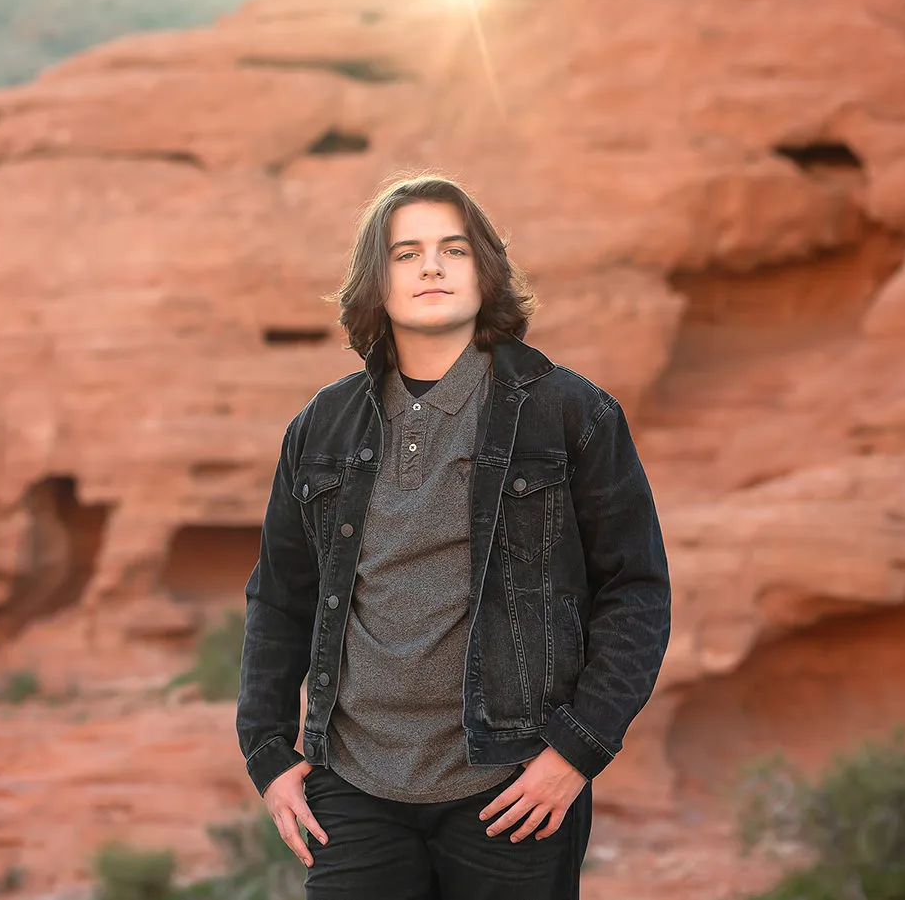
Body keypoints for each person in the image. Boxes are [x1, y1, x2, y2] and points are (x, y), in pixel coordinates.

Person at [236, 173, 671, 899]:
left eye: (452, 248)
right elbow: (279, 600)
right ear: (376, 283)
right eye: (405, 254)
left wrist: (576, 749)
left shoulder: (571, 413)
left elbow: (636, 592)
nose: (431, 266)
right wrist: (267, 750)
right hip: (353, 786)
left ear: (485, 269)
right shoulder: (322, 426)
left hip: (512, 787)